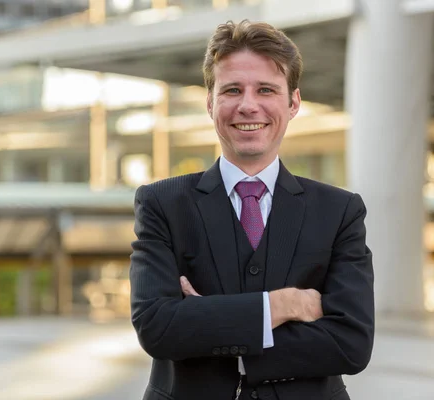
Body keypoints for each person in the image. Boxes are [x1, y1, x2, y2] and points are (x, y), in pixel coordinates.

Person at [129, 19, 374, 400]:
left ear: (292, 103)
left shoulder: (340, 211)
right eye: (231, 90)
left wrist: (211, 322)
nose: (248, 105)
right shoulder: (161, 203)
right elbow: (157, 328)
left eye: (265, 89)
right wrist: (284, 305)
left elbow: (351, 343)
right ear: (210, 103)